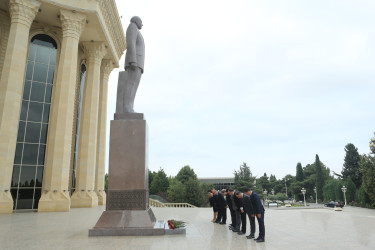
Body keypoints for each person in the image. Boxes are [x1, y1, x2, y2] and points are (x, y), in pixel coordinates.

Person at [117, 16, 145, 113]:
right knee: (130, 84)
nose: (142, 24)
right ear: (136, 21)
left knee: (134, 86)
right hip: (134, 61)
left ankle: (130, 107)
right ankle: (126, 107)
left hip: (139, 63)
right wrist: (132, 60)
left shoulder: (137, 30)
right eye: (141, 21)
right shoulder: (132, 27)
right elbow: (131, 43)